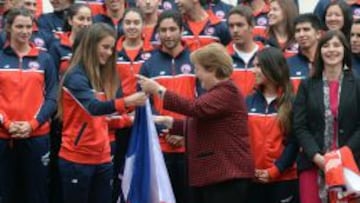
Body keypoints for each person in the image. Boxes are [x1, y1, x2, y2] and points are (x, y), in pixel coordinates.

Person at [138, 42, 254, 203]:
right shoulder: (217, 93)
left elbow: (195, 108)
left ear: (212, 69)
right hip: (216, 177)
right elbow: (203, 123)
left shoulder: (227, 91)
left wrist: (159, 90)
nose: (196, 75)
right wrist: (170, 122)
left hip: (227, 178)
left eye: (198, 69)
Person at [57, 23, 147, 203]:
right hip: (77, 160)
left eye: (112, 48)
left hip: (103, 158)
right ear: (91, 45)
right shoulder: (75, 75)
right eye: (105, 47)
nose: (108, 52)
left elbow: (103, 120)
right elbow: (94, 108)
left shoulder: (102, 75)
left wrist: (129, 120)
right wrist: (128, 101)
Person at [293, 30, 360, 203]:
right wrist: (319, 158)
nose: (331, 50)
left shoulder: (357, 84)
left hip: (349, 164)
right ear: (320, 51)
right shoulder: (307, 85)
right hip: (313, 163)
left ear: (345, 50)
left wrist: (340, 156)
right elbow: (300, 126)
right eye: (326, 45)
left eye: (336, 45)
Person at [0, 8, 58, 203]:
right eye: (19, 26)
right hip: (3, 137)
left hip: (36, 137)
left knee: (36, 194)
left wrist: (32, 124)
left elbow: (52, 97)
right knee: (6, 193)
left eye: (28, 26)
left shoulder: (45, 59)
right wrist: (7, 124)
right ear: (8, 28)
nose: (24, 31)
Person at [140, 10, 198, 203]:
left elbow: (203, 102)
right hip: (160, 147)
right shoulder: (148, 64)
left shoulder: (195, 60)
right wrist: (165, 130)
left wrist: (184, 131)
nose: (168, 34)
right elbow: (144, 104)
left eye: (172, 29)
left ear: (181, 31)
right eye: (163, 30)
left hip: (189, 145)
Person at [247, 47, 299, 203]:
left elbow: (294, 143)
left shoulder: (293, 102)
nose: (253, 70)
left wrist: (276, 170)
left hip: (284, 180)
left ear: (271, 68)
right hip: (253, 179)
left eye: (257, 66)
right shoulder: (248, 101)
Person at [226, 5, 264, 97]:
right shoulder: (222, 56)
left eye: (240, 25)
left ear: (251, 27)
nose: (235, 30)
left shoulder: (266, 55)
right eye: (231, 26)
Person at [115, 8, 153, 97]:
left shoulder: (153, 52)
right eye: (128, 23)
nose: (132, 26)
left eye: (136, 23)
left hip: (145, 107)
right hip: (120, 108)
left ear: (143, 25)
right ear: (122, 25)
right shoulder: (112, 52)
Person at [49, 3, 92, 76]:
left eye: (88, 19)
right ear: (70, 21)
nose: (85, 24)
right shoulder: (57, 46)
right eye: (81, 19)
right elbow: (52, 77)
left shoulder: (95, 45)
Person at [287, 13, 322, 92]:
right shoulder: (287, 64)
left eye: (306, 29)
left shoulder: (328, 61)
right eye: (297, 31)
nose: (301, 34)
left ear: (318, 34)